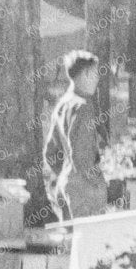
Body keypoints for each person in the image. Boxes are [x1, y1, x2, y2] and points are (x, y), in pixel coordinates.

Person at [42, 50, 107, 222]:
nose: (98, 79)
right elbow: (82, 155)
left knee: (70, 243)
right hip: (85, 188)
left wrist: (65, 174)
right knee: (89, 244)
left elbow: (50, 153)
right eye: (95, 74)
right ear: (85, 74)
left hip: (65, 184)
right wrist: (95, 184)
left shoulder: (62, 105)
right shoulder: (85, 108)